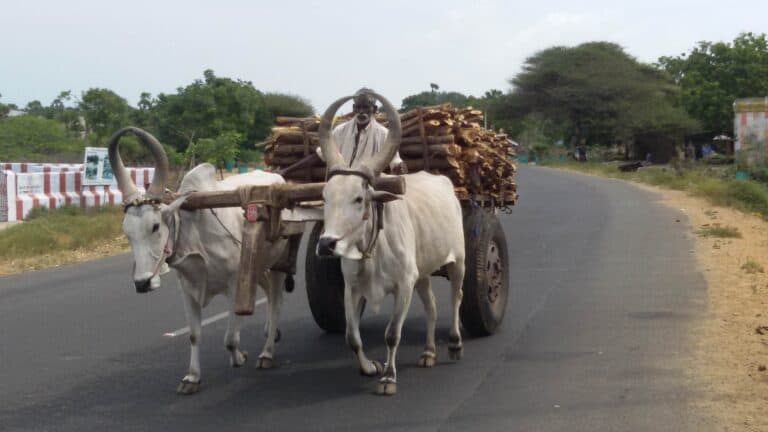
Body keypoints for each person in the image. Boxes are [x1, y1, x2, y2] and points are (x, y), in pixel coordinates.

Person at [317, 88, 408, 174]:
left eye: (365, 107)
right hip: (342, 182)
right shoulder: (339, 131)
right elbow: (326, 151)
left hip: (367, 185)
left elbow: (394, 160)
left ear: (375, 109)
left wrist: (400, 166)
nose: (361, 111)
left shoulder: (384, 134)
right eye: (358, 107)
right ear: (353, 108)